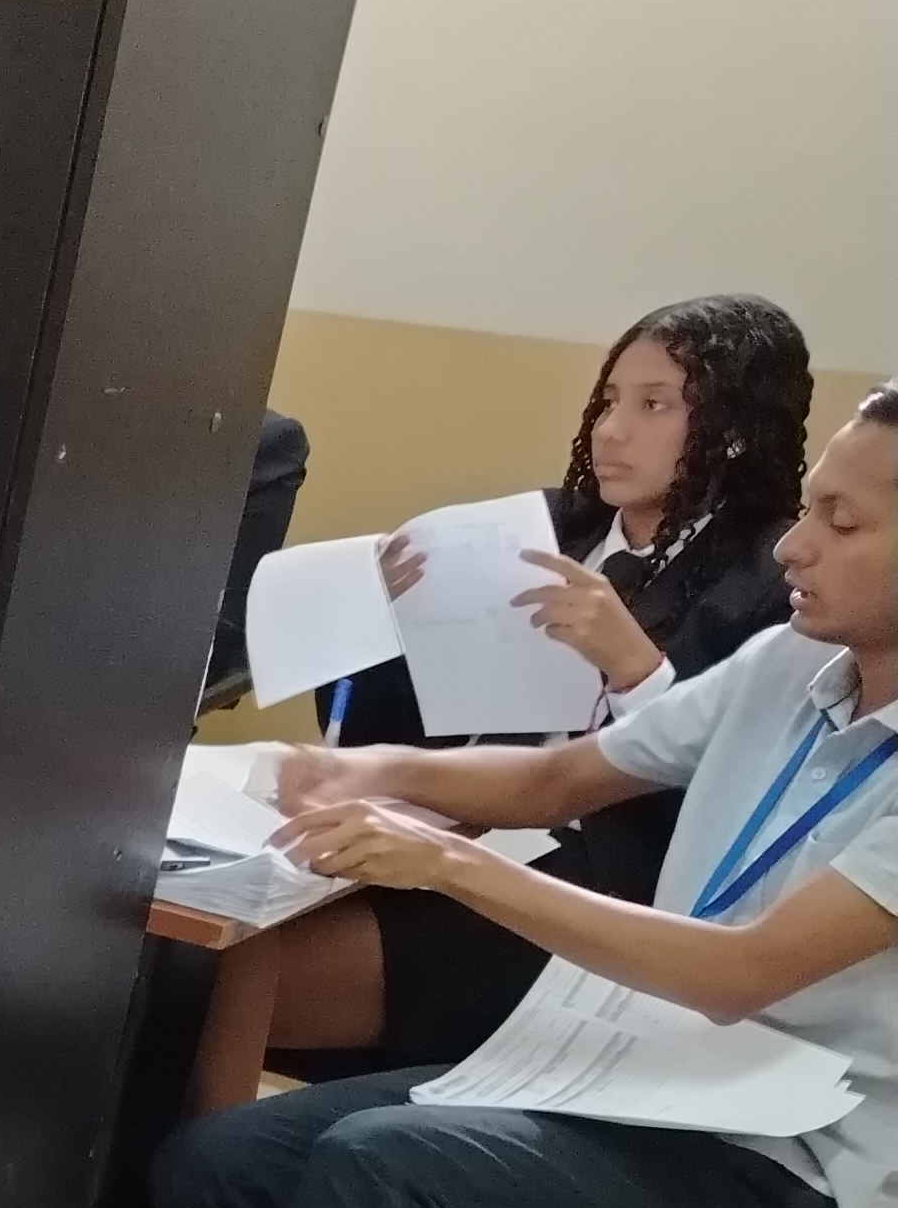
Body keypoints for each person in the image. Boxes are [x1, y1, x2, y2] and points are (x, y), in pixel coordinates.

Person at [99, 385, 898, 1208]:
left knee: (376, 1169)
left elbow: (742, 970)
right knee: (223, 1164)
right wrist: (358, 770)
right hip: (641, 1081)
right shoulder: (787, 670)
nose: (793, 546)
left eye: (841, 521)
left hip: (783, 1171)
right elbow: (560, 779)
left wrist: (450, 867)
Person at [188, 295, 813, 1116]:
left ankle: (197, 1173)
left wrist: (636, 670)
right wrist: (380, 626)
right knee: (186, 940)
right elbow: (391, 726)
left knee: (223, 982)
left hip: (583, 897)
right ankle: (180, 1171)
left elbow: (735, 801)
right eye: (608, 401)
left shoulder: (772, 582)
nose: (611, 430)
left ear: (733, 427)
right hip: (446, 825)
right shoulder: (543, 527)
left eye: (654, 405)